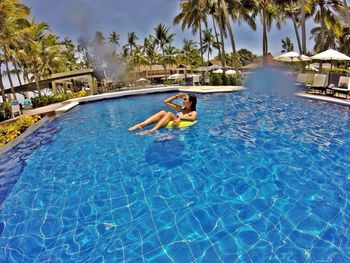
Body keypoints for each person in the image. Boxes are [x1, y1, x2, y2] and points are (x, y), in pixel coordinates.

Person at [128, 93, 197, 135]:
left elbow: (192, 118)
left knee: (169, 113)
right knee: (163, 112)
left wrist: (180, 117)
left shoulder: (193, 112)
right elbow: (166, 102)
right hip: (175, 121)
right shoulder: (181, 108)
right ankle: (141, 125)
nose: (183, 100)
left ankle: (153, 130)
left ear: (190, 102)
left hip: (179, 125)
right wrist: (177, 96)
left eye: (185, 99)